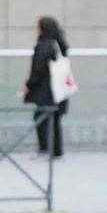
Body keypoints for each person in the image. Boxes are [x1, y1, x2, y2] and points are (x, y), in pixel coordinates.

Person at [23, 16, 69, 158]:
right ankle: (56, 150)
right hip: (59, 90)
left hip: (46, 91)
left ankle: (45, 149)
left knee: (41, 117)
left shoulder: (43, 46)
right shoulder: (58, 45)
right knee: (54, 119)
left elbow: (38, 70)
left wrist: (29, 84)